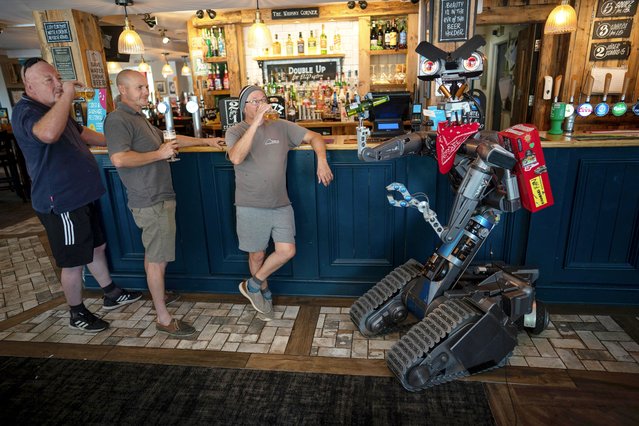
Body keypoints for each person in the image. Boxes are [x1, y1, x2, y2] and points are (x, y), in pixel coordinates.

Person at [11, 58, 142, 333]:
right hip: (61, 201)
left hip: (82, 196)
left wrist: (119, 139)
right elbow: (47, 134)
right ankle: (77, 311)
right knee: (73, 261)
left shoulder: (54, 109)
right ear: (29, 84)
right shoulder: (26, 112)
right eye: (50, 80)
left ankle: (110, 292)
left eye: (58, 78)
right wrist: (67, 96)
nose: (58, 84)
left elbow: (83, 134)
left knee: (96, 247)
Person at [104, 69, 224, 337]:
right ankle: (163, 318)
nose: (145, 92)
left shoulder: (139, 118)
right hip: (150, 199)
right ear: (123, 90)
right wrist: (159, 154)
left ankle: (161, 296)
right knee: (157, 261)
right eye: (139, 88)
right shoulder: (118, 119)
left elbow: (169, 139)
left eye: (145, 86)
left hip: (158, 196)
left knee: (154, 257)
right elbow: (120, 159)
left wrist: (206, 140)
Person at [225, 85, 333, 320]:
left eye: (263, 99)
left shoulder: (281, 126)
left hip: (280, 203)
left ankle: (252, 285)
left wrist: (321, 161)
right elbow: (236, 157)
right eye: (255, 101)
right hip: (250, 204)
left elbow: (315, 137)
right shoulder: (236, 130)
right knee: (257, 255)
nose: (261, 104)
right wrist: (255, 123)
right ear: (244, 106)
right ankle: (262, 293)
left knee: (287, 250)